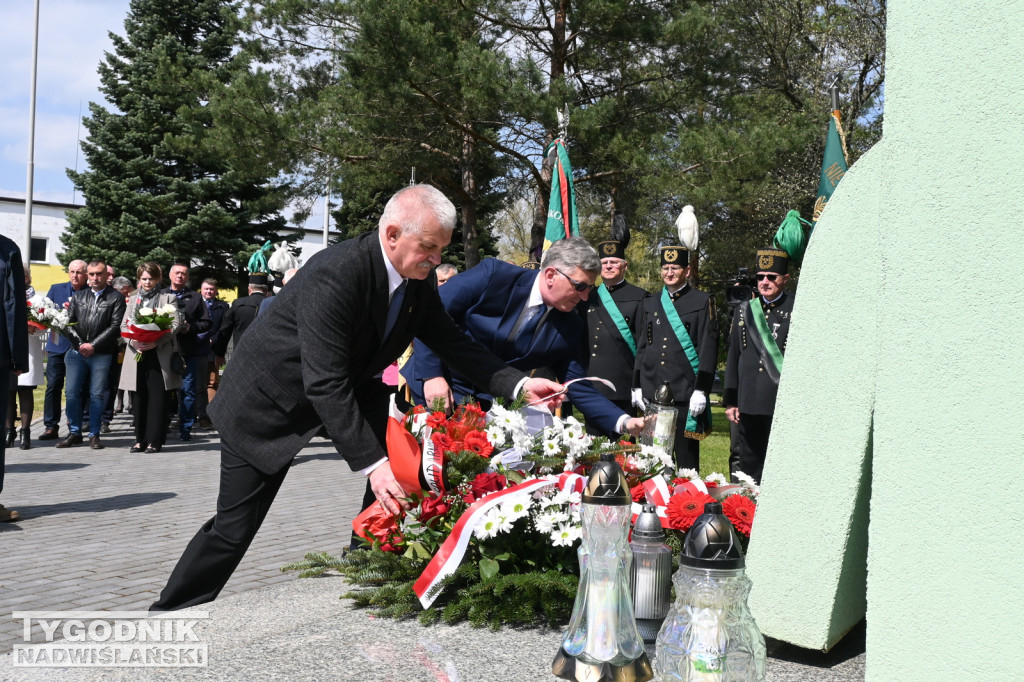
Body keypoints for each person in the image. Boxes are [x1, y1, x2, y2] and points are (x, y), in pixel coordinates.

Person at [151, 184, 563, 611]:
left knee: (408, 466)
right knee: (234, 528)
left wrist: (517, 385)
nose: (437, 259)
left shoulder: (415, 279)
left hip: (349, 388)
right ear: (391, 235)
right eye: (428, 247)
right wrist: (373, 466)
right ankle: (169, 614)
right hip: (265, 402)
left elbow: (453, 343)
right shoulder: (338, 272)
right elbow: (324, 382)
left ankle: (365, 570)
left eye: (442, 249)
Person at [401, 237, 645, 438]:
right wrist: (432, 375)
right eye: (580, 286)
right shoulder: (492, 276)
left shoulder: (570, 325)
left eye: (590, 288)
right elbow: (432, 313)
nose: (585, 297)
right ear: (551, 275)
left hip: (493, 403)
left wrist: (624, 422)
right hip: (438, 386)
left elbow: (577, 385)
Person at [634, 245, 718, 470]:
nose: (669, 273)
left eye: (675, 268)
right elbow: (643, 346)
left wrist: (702, 389)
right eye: (665, 268)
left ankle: (686, 502)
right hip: (652, 388)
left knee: (686, 460)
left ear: (687, 271)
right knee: (651, 458)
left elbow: (708, 348)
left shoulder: (702, 301)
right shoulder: (651, 302)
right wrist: (636, 385)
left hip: (685, 392)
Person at [724, 248, 795, 484]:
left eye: (771, 277)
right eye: (760, 276)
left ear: (785, 278)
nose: (765, 282)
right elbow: (734, 355)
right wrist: (731, 400)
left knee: (780, 464)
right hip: (748, 401)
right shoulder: (745, 309)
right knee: (749, 463)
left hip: (779, 400)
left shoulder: (797, 309)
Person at [57, 260, 126, 450]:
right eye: (92, 274)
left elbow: (115, 327)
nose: (95, 277)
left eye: (99, 274)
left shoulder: (116, 298)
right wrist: (81, 345)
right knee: (71, 393)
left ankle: (94, 434)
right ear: (88, 275)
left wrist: (93, 346)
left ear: (106, 275)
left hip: (101, 353)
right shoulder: (79, 297)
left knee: (96, 395)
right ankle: (75, 432)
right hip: (76, 353)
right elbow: (67, 323)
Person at [583, 239, 648, 436]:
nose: (609, 266)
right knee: (592, 448)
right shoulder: (587, 295)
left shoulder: (640, 297)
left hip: (623, 384)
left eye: (614, 262)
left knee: (623, 449)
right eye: (605, 262)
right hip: (592, 383)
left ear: (625, 266)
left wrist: (639, 384)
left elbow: (643, 345)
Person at [121, 263, 182, 453]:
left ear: (158, 279)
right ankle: (140, 440)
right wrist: (134, 342)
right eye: (144, 279)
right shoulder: (133, 299)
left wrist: (157, 342)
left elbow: (174, 323)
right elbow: (124, 325)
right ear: (139, 280)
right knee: (138, 398)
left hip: (158, 354)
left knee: (157, 399)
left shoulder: (167, 298)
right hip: (137, 354)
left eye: (151, 279)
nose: (147, 282)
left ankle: (154, 441)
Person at [38, 260, 88, 440]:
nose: (75, 275)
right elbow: (44, 313)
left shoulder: (89, 292)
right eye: (72, 272)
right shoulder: (56, 289)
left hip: (79, 347)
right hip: (57, 346)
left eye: (79, 272)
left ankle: (74, 423)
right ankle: (51, 426)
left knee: (77, 388)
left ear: (86, 274)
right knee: (53, 386)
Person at [162, 263, 210, 442]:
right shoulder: (161, 295)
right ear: (170, 275)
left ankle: (186, 428)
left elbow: (206, 323)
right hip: (164, 349)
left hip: (186, 351)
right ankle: (162, 424)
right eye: (177, 273)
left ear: (187, 277)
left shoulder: (196, 297)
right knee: (164, 390)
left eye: (183, 274)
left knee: (188, 391)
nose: (180, 276)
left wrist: (191, 328)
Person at [0, 236, 28, 522]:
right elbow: (13, 304)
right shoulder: (6, 249)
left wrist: (16, 356)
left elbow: (13, 304)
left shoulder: (7, 250)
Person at [6, 272, 44, 450]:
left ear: (28, 278)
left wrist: (34, 329)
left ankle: (26, 432)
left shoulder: (37, 300)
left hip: (28, 349)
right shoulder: (6, 294)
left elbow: (46, 325)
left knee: (25, 391)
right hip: (7, 351)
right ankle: (8, 431)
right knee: (8, 392)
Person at [195, 278, 227, 429]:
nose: (208, 291)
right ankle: (190, 415)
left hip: (212, 349)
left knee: (212, 382)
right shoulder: (194, 303)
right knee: (192, 383)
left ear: (216, 291)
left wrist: (213, 340)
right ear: (201, 290)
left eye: (211, 289)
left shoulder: (223, 306)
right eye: (206, 289)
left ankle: (209, 415)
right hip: (194, 349)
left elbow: (224, 328)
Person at [213, 273, 268, 359]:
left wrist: (220, 354)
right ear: (266, 291)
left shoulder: (238, 304)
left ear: (249, 289)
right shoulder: (273, 304)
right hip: (265, 356)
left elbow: (225, 331)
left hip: (241, 355)